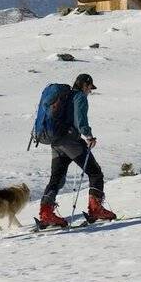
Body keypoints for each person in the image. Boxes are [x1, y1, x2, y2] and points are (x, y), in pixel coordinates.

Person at [38, 73, 116, 227]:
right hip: (70, 141)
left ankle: (46, 213)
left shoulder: (64, 97)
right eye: (90, 88)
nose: (90, 91)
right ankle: (96, 209)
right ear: (85, 85)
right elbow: (80, 119)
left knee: (56, 178)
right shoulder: (79, 97)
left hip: (56, 141)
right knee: (95, 172)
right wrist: (88, 135)